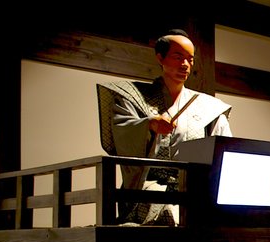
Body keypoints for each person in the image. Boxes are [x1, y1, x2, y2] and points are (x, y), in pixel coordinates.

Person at [97, 29, 232, 225]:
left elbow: (224, 145)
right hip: (149, 185)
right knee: (167, 213)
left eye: (190, 59)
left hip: (194, 187)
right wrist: (149, 125)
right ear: (160, 57)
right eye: (178, 57)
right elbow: (123, 133)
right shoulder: (133, 97)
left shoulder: (209, 107)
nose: (185, 64)